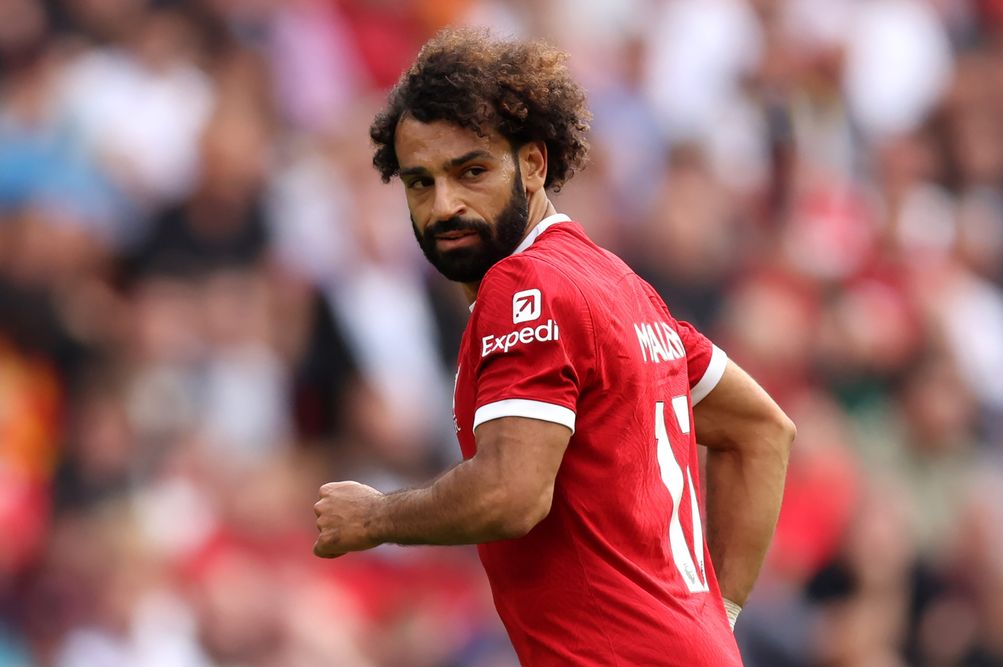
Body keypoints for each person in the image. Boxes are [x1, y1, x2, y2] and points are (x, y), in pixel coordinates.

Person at [312, 27, 795, 665]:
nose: (444, 205)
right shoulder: (619, 283)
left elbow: (512, 493)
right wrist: (712, 621)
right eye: (419, 183)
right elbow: (762, 430)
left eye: (471, 171)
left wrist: (375, 518)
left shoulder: (525, 283)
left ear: (534, 163)